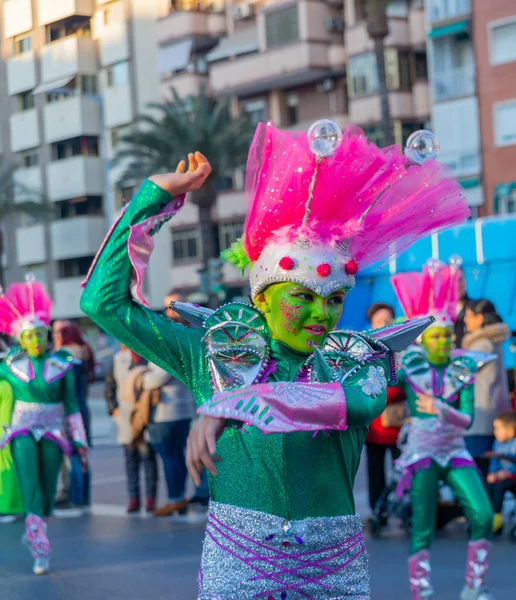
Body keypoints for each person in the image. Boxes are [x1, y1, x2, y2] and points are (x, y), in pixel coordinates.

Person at [80, 122, 469, 597]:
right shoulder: (213, 355)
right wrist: (154, 199)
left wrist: (233, 406)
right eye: (302, 296)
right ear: (262, 296)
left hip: (334, 570)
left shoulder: (356, 360)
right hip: (237, 563)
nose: (320, 314)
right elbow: (103, 304)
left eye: (333, 299)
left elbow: (350, 404)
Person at [392, 259, 495, 600]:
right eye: (436, 336)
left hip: (455, 451)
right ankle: (421, 592)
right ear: (424, 340)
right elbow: (382, 388)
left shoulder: (462, 368)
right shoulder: (411, 365)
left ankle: (473, 587)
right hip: (422, 454)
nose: (444, 343)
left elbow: (466, 420)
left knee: (481, 514)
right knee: (422, 527)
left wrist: (442, 408)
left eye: (448, 336)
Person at [0, 280, 88, 575]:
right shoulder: (10, 365)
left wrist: (80, 443)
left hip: (52, 431)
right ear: (20, 339)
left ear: (47, 334)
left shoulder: (62, 364)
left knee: (48, 489)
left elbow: (72, 405)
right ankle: (40, 549)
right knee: (30, 485)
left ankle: (37, 525)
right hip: (21, 431)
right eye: (29, 336)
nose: (36, 340)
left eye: (40, 334)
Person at [146, 292, 200, 516]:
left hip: (167, 411)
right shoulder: (189, 338)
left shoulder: (170, 343)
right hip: (183, 409)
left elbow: (157, 378)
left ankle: (175, 498)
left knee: (170, 458)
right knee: (177, 456)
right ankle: (179, 498)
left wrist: (141, 379)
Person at [364, 303, 405, 522]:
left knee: (403, 470)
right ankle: (378, 510)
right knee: (376, 471)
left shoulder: (402, 350)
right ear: (372, 325)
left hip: (399, 425)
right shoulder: (365, 352)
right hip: (375, 427)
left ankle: (404, 507)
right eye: (380, 321)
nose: (385, 325)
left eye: (388, 320)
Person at [106, 346, 159, 513]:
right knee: (131, 460)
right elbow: (109, 388)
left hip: (145, 414)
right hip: (126, 415)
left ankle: (151, 499)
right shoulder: (117, 359)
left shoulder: (147, 353)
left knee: (148, 457)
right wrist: (113, 408)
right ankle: (133, 498)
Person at [462, 299, 511, 475]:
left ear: (480, 318)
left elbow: (460, 372)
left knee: (477, 469)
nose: (465, 320)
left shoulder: (481, 344)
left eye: (468, 316)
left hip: (480, 419)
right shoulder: (494, 342)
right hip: (493, 417)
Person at [53, 320, 95, 507]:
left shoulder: (64, 360)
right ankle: (83, 496)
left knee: (73, 455)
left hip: (69, 411)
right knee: (82, 453)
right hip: (83, 409)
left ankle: (75, 497)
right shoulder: (84, 353)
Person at [485, 411, 516, 534]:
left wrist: (508, 472)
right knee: (491, 484)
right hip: (501, 476)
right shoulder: (497, 443)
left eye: (498, 428)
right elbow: (495, 462)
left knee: (499, 486)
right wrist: (493, 473)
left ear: (510, 429)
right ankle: (491, 515)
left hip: (512, 477)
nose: (495, 431)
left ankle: (496, 517)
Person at [0, 377, 23, 522]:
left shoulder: (4, 384)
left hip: (4, 431)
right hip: (8, 429)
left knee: (6, 469)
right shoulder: (9, 381)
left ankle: (8, 508)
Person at [454, 265, 474, 349]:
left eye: (459, 280)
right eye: (452, 280)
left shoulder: (476, 308)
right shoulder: (438, 313)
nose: (457, 285)